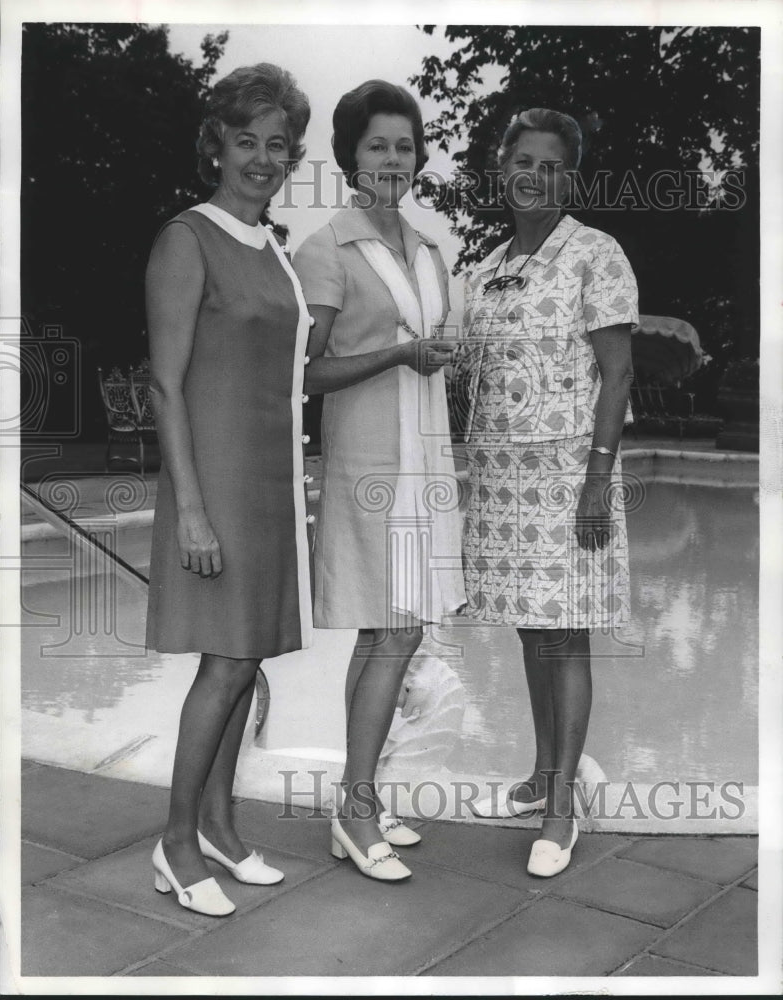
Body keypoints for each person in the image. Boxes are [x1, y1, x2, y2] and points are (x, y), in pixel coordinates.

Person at [145, 63, 312, 915]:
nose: (261, 158)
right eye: (246, 140)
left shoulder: (273, 248)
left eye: (278, 145)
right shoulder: (187, 238)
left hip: (270, 485)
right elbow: (165, 384)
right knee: (227, 661)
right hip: (213, 485)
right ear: (217, 145)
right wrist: (192, 512)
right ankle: (175, 843)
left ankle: (217, 824)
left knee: (245, 660)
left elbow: (290, 375)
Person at [293, 80, 465, 882]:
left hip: (426, 464)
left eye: (404, 145)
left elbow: (439, 345)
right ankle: (356, 812)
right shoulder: (326, 248)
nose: (393, 159)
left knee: (396, 634)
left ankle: (360, 798)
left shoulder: (429, 250)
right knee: (390, 633)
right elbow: (305, 374)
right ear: (349, 157)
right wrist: (397, 353)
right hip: (370, 470)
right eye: (377, 146)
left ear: (418, 156)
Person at [461, 109, 637, 877]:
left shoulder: (596, 254)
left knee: (565, 635)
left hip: (570, 477)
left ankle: (563, 810)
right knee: (532, 631)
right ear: (503, 167)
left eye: (552, 165)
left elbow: (617, 375)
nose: (535, 175)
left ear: (570, 178)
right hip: (503, 484)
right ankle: (541, 774)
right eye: (523, 160)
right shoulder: (488, 266)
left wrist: (597, 477)